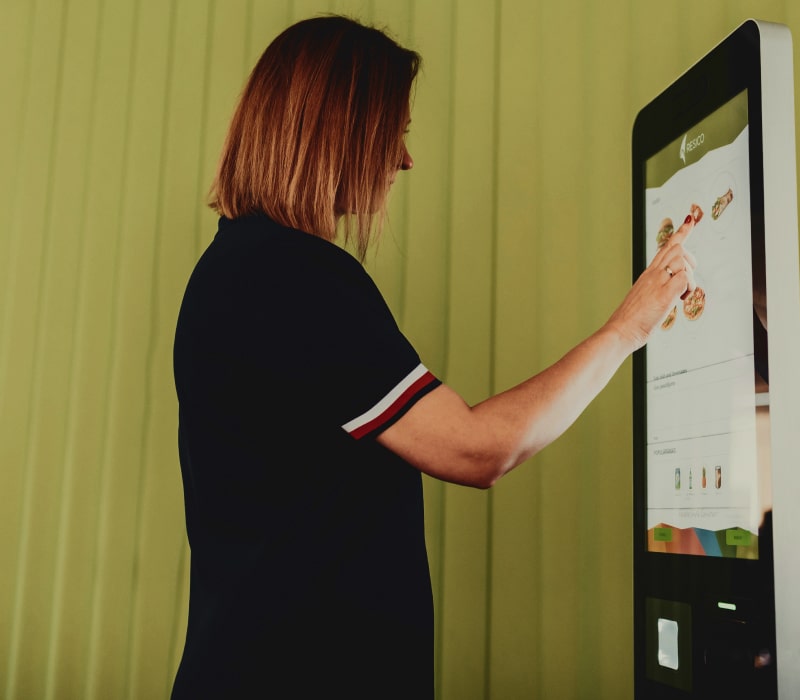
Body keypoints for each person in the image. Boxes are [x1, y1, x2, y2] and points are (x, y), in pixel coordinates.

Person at [171, 15, 695, 699]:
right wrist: (628, 329)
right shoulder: (293, 278)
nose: (404, 159)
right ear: (342, 130)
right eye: (396, 131)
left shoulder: (236, 268)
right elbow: (480, 449)